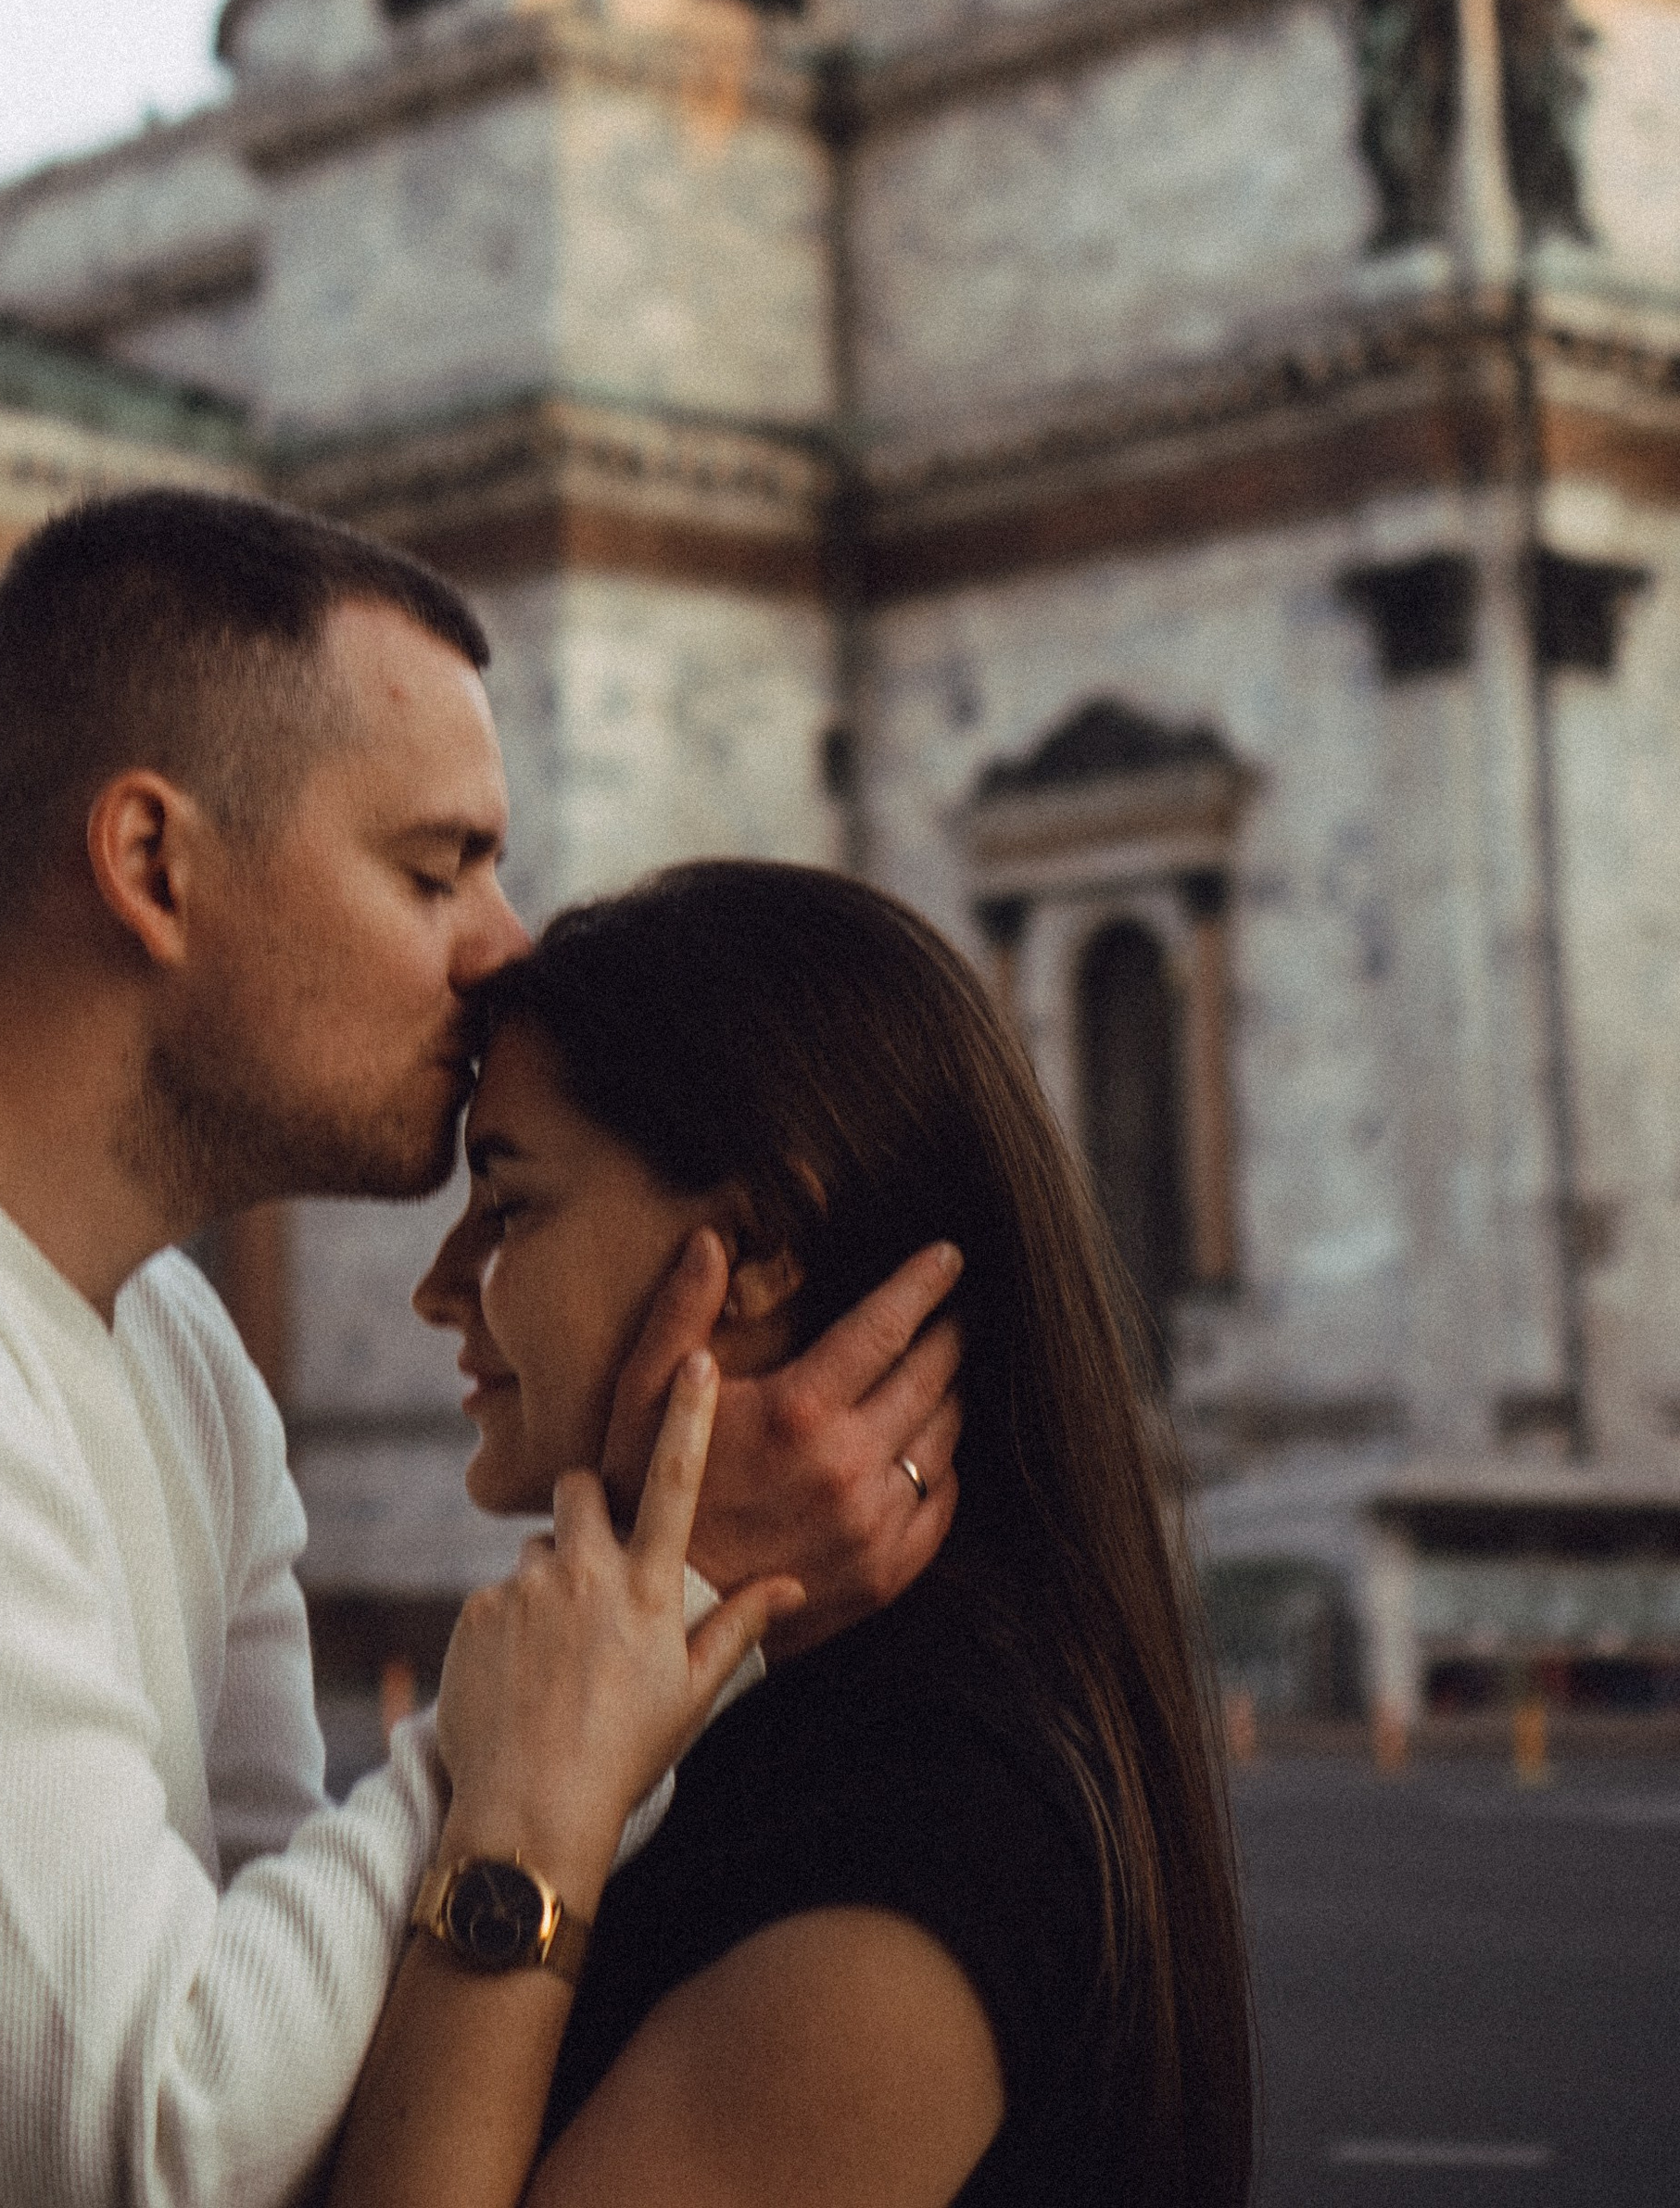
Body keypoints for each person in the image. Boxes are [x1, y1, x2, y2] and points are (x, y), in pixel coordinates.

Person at [0, 494, 963, 2207]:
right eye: (435, 867)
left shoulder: (174, 1348)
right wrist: (634, 1640)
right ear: (153, 865)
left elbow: (311, 2051)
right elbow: (156, 2153)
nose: (507, 945)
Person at [327, 857, 1255, 2208]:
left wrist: (525, 1822)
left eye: (510, 1204)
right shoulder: (776, 1722)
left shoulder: (926, 1848)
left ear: (757, 1251)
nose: (436, 1287)